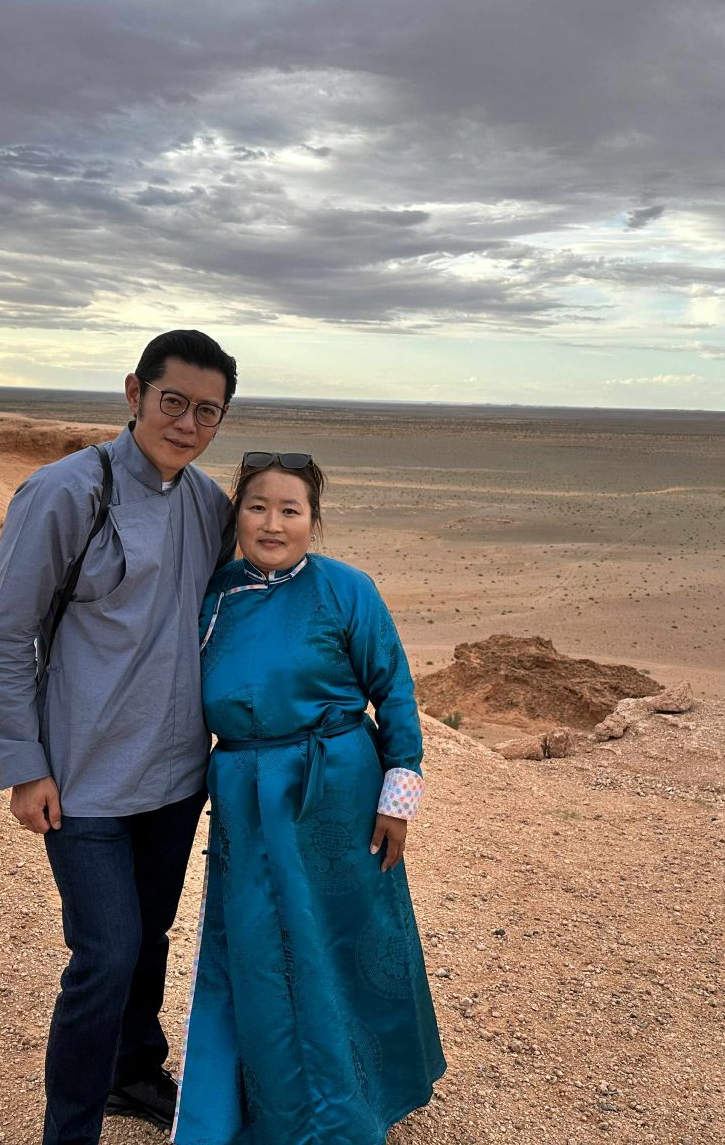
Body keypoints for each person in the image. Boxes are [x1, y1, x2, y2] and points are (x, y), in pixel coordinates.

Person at [0, 329, 238, 1145]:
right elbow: (8, 636)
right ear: (134, 393)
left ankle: (132, 1070)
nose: (187, 424)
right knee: (106, 954)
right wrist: (23, 766)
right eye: (173, 402)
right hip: (83, 778)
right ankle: (71, 1131)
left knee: (148, 938)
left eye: (207, 411)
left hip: (177, 776)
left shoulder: (209, 507)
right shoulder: (64, 492)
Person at [173, 452, 446, 1145]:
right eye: (257, 507)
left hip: (338, 798)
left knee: (344, 944)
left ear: (312, 522)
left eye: (290, 510)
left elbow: (394, 692)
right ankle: (278, 1111)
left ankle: (360, 1103)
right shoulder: (211, 596)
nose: (273, 523)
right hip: (244, 799)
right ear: (237, 516)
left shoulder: (347, 589)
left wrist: (398, 801)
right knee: (261, 950)